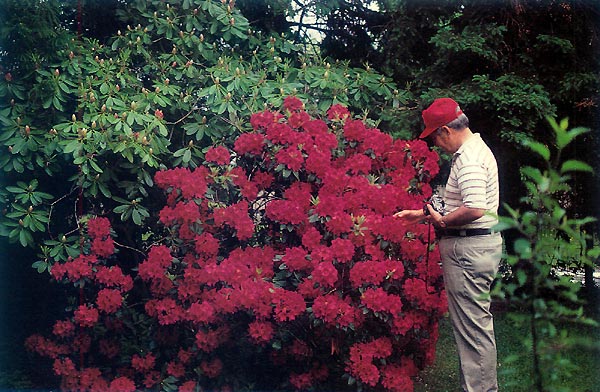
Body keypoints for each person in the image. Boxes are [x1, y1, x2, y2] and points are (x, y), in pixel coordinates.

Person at [395, 98, 502, 392]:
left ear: (445, 130)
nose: (434, 145)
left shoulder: (468, 158)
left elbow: (474, 208)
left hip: (468, 251)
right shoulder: (476, 151)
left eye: (433, 137)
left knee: (473, 332)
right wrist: (423, 215)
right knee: (476, 327)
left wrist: (441, 222)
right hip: (476, 247)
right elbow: (463, 203)